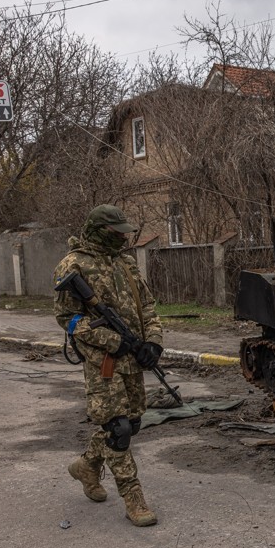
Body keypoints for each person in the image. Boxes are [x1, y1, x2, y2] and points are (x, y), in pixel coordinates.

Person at [54, 204, 164, 527]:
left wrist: (153, 342)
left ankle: (87, 467)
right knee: (118, 430)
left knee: (133, 422)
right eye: (117, 234)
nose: (123, 239)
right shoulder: (72, 265)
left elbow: (146, 304)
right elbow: (68, 320)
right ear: (101, 231)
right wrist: (113, 341)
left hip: (133, 359)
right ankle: (133, 497)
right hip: (102, 361)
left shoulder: (126, 262)